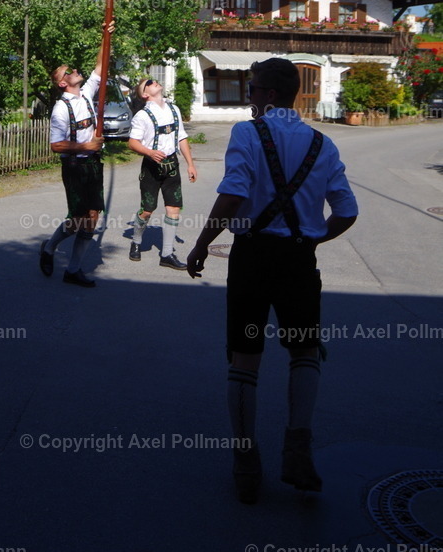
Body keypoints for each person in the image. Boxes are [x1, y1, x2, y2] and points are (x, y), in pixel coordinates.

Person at [186, 58, 358, 504]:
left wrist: (202, 243)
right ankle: (298, 449)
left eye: (252, 88)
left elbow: (235, 192)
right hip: (299, 262)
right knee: (303, 352)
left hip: (253, 259)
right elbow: (347, 211)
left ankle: (246, 462)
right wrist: (313, 239)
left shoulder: (247, 132)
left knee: (245, 358)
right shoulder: (323, 144)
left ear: (270, 95)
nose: (248, 96)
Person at [39, 23, 114, 288]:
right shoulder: (60, 110)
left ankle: (73, 269)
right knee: (78, 219)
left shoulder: (86, 94)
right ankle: (49, 247)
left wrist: (106, 36)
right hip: (74, 166)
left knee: (92, 218)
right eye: (67, 71)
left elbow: (100, 68)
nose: (73, 70)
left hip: (93, 164)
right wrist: (85, 147)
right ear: (62, 82)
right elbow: (56, 146)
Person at [127, 77, 197, 269]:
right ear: (145, 94)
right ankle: (136, 240)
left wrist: (190, 164)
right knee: (147, 210)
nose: (154, 82)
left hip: (172, 164)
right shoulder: (142, 116)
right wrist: (149, 152)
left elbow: (181, 137)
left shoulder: (174, 109)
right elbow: (132, 143)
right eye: (148, 83)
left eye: (154, 80)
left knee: (174, 208)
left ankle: (166, 254)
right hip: (151, 166)